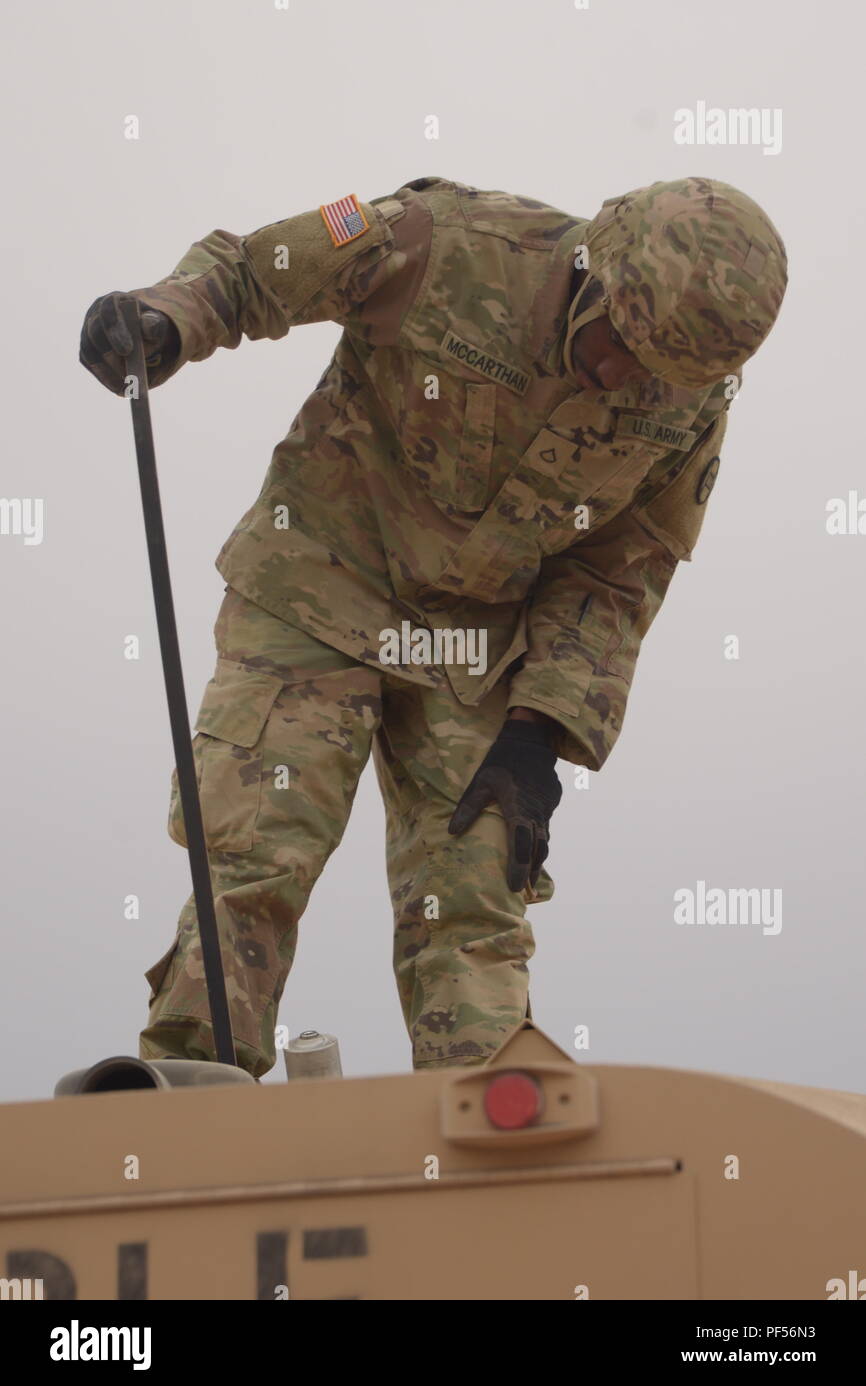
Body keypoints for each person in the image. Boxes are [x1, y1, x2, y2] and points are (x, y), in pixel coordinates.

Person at [80, 175, 787, 1076]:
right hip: (319, 583)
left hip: (471, 650)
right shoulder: (441, 239)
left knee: (474, 897)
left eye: (661, 374)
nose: (626, 380)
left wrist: (537, 737)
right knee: (256, 849)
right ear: (597, 273)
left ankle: (487, 1132)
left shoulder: (689, 403)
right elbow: (260, 270)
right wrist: (167, 317)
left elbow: (618, 574)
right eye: (622, 345)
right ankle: (187, 1092)